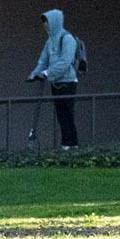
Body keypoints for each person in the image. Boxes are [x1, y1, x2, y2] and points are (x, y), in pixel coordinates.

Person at [28, 9, 82, 149]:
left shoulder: (67, 39)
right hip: (55, 82)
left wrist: (46, 73)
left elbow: (65, 62)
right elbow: (43, 60)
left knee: (67, 113)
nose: (45, 24)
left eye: (46, 21)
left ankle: (72, 144)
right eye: (44, 22)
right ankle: (66, 144)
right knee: (61, 114)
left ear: (54, 22)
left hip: (68, 82)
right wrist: (34, 74)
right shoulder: (50, 41)